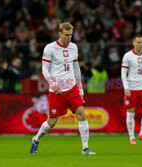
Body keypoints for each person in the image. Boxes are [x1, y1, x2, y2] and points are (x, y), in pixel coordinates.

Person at [30, 22, 96, 155]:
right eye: (66, 35)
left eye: (71, 35)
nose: (69, 38)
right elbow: (44, 69)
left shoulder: (74, 47)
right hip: (57, 90)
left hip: (72, 87)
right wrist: (52, 85)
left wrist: (80, 87)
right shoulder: (50, 48)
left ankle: (85, 148)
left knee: (81, 114)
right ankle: (36, 139)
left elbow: (76, 68)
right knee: (52, 122)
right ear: (59, 33)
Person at [121, 35, 142, 144]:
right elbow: (123, 73)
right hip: (131, 88)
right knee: (131, 114)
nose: (141, 44)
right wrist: (126, 87)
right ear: (133, 43)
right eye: (138, 42)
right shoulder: (127, 56)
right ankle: (132, 137)